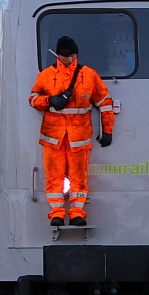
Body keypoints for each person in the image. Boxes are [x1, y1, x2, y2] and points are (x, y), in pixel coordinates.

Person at [28, 36, 115, 226]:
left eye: (72, 56)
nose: (69, 59)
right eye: (66, 56)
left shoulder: (89, 75)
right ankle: (57, 213)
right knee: (53, 177)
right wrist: (49, 101)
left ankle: (77, 212)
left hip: (78, 137)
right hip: (54, 137)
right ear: (58, 55)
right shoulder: (46, 76)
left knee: (79, 177)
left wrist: (107, 130)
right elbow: (33, 99)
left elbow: (105, 102)